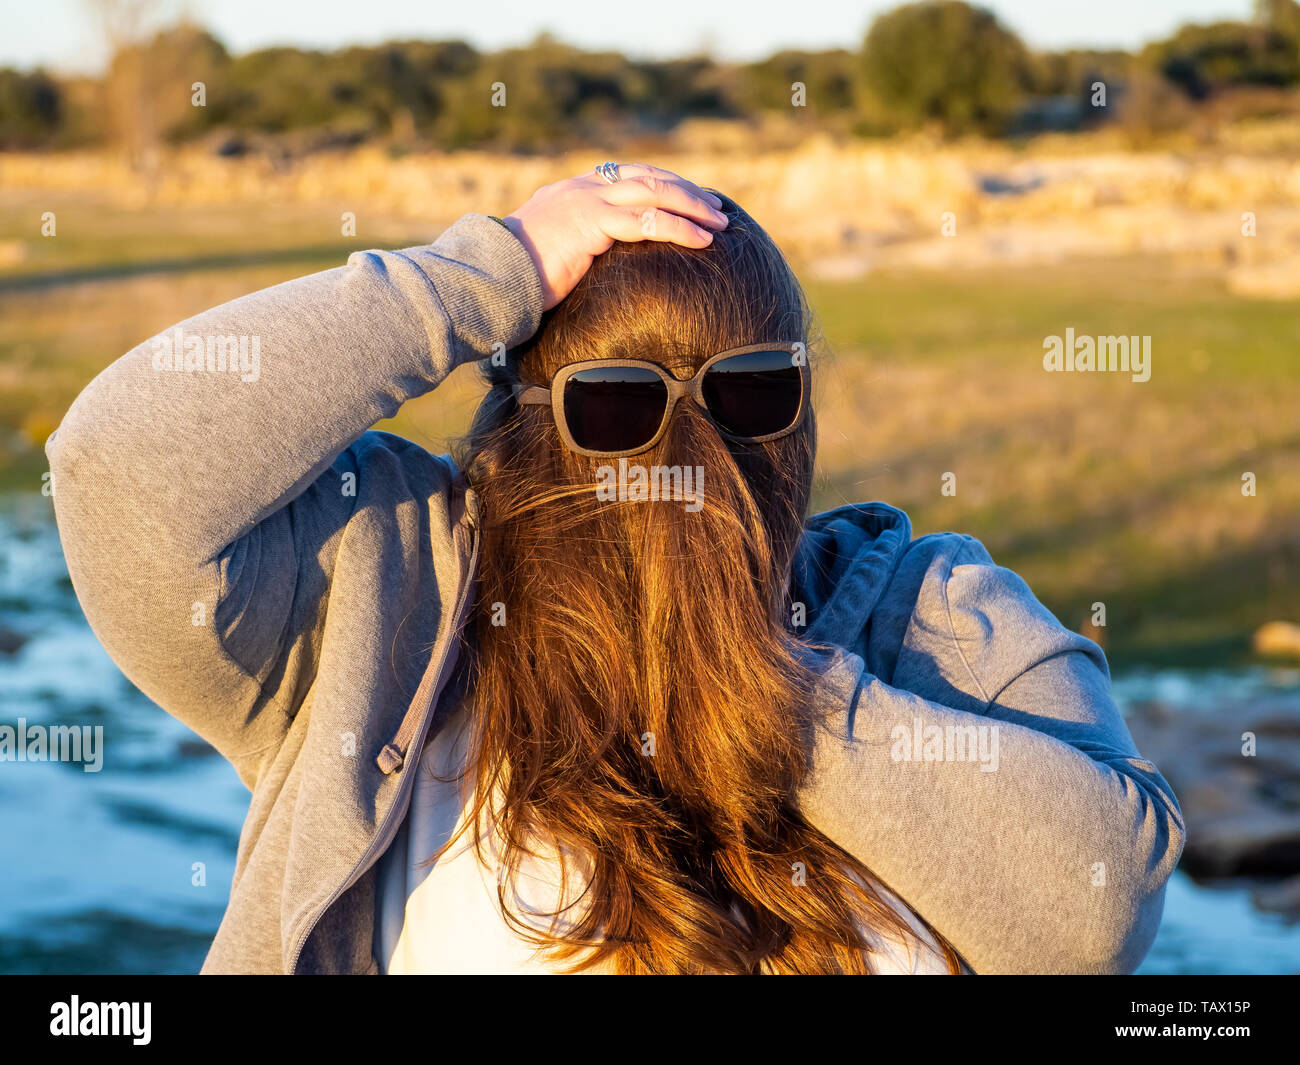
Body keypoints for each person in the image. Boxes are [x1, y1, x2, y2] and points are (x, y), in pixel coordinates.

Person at [46, 162, 1184, 974]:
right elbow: (119, 471)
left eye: (748, 394)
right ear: (522, 424)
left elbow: (1091, 913)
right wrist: (484, 274)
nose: (688, 459)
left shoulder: (932, 616)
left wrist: (759, 679)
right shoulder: (381, 596)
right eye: (615, 405)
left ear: (798, 412)